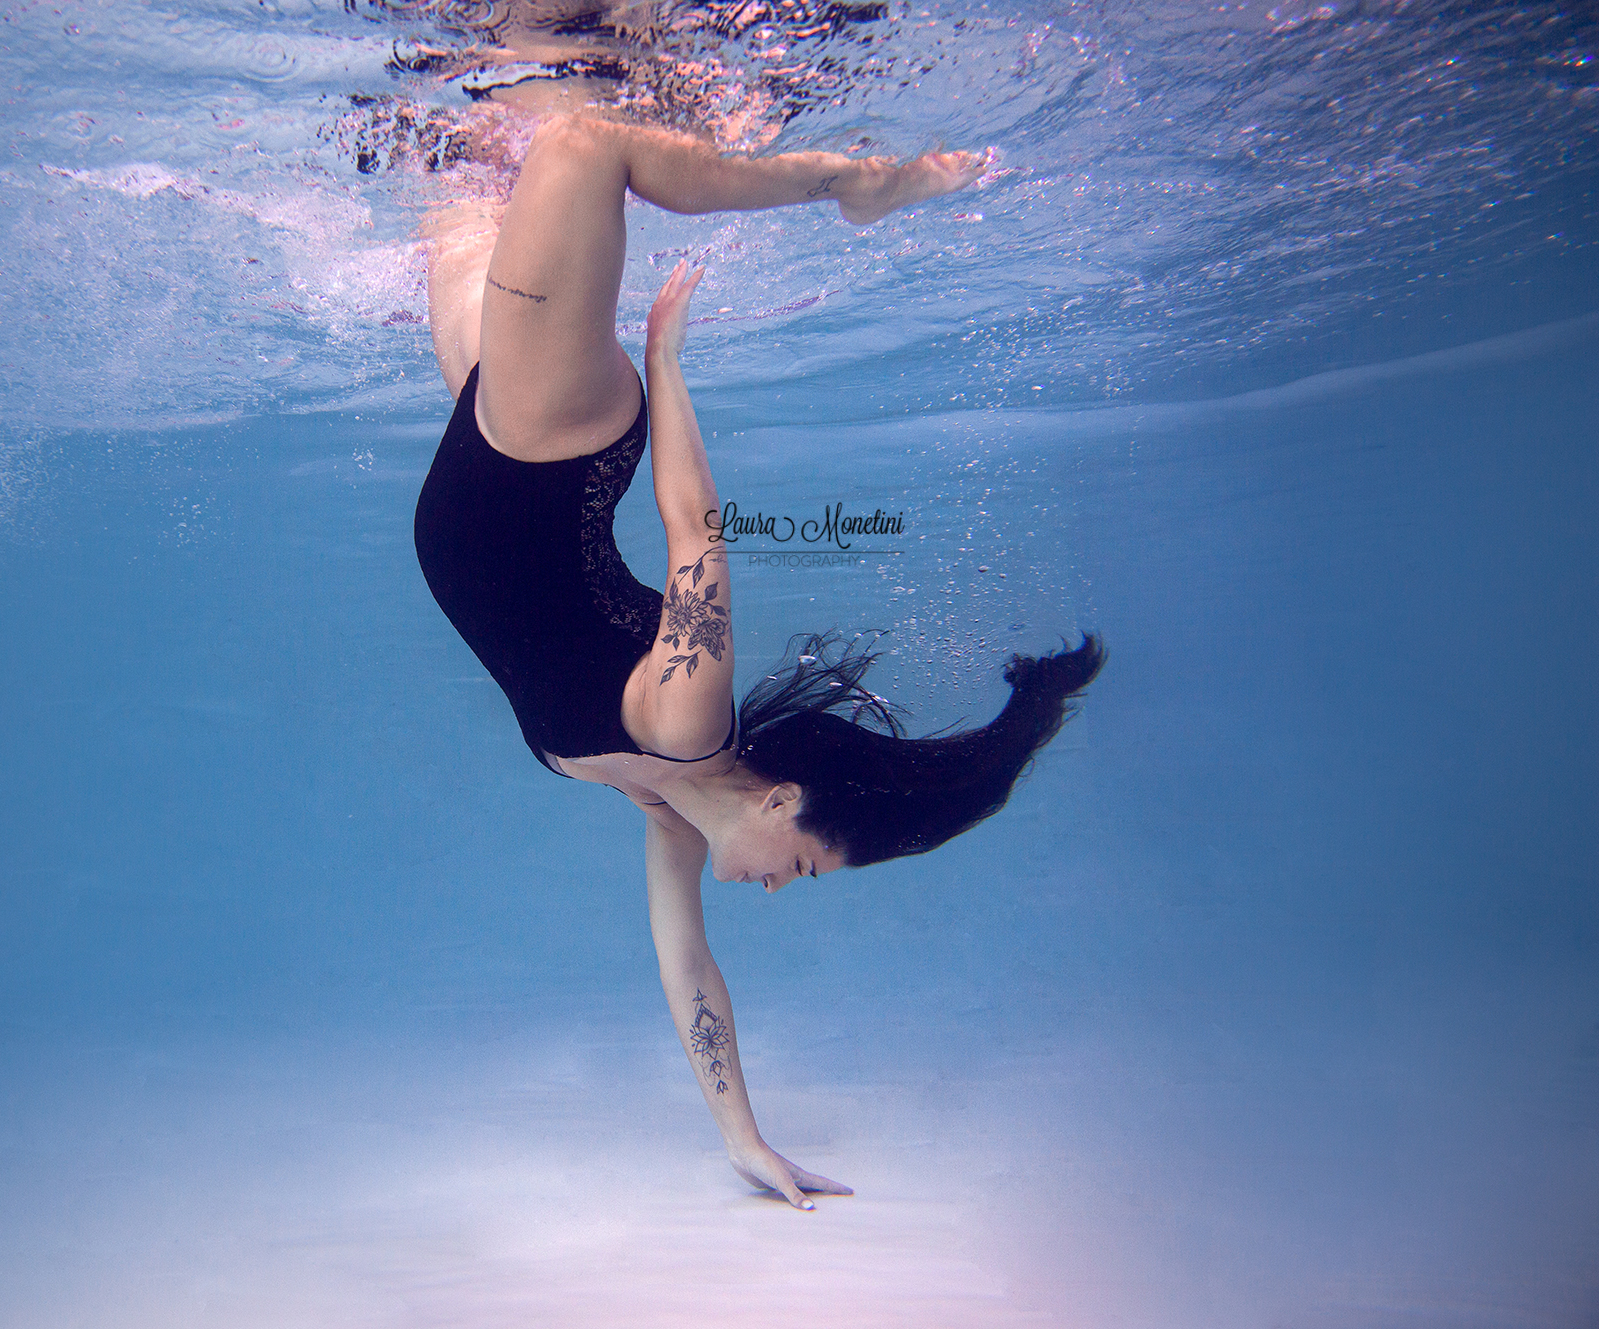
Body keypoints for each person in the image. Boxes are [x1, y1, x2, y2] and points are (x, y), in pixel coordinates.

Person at [412, 111, 1104, 1210]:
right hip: (548, 438)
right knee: (583, 145)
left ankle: (487, 99)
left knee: (457, 185)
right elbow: (697, 536)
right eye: (803, 867)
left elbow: (686, 969)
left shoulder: (668, 809)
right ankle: (855, 185)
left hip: (480, 446)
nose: (777, 888)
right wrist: (663, 361)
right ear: (782, 799)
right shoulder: (688, 723)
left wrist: (744, 1140)